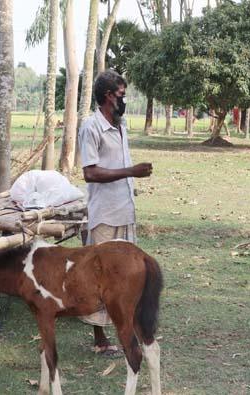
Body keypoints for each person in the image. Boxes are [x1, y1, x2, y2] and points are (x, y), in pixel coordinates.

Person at [78, 70, 153, 355]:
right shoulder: (92, 128)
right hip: (105, 214)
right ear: (109, 96)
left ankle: (126, 329)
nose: (125, 100)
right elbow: (90, 172)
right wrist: (130, 172)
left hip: (124, 211)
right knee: (100, 278)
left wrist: (131, 177)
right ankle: (99, 338)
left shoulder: (120, 126)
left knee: (124, 277)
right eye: (122, 95)